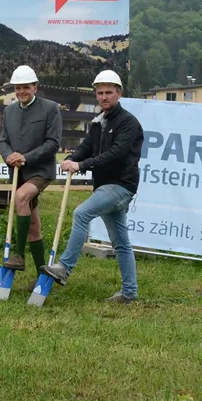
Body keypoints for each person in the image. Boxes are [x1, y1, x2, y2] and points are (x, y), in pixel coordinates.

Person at [41, 70, 144, 303]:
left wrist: (81, 165)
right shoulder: (98, 122)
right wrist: (71, 159)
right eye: (100, 93)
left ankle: (64, 268)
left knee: (81, 213)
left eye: (109, 92)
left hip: (121, 186)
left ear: (119, 93)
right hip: (104, 186)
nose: (104, 97)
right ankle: (129, 293)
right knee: (121, 243)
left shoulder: (128, 122)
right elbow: (86, 147)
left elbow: (116, 154)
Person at [0, 65, 63, 279]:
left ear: (35, 87)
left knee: (22, 196)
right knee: (33, 225)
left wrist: (26, 157)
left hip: (40, 170)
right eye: (18, 88)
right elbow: (3, 141)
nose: (21, 91)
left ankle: (18, 254)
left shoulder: (50, 108)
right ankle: (41, 276)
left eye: (26, 87)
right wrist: (9, 156)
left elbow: (53, 143)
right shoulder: (9, 111)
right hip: (17, 172)